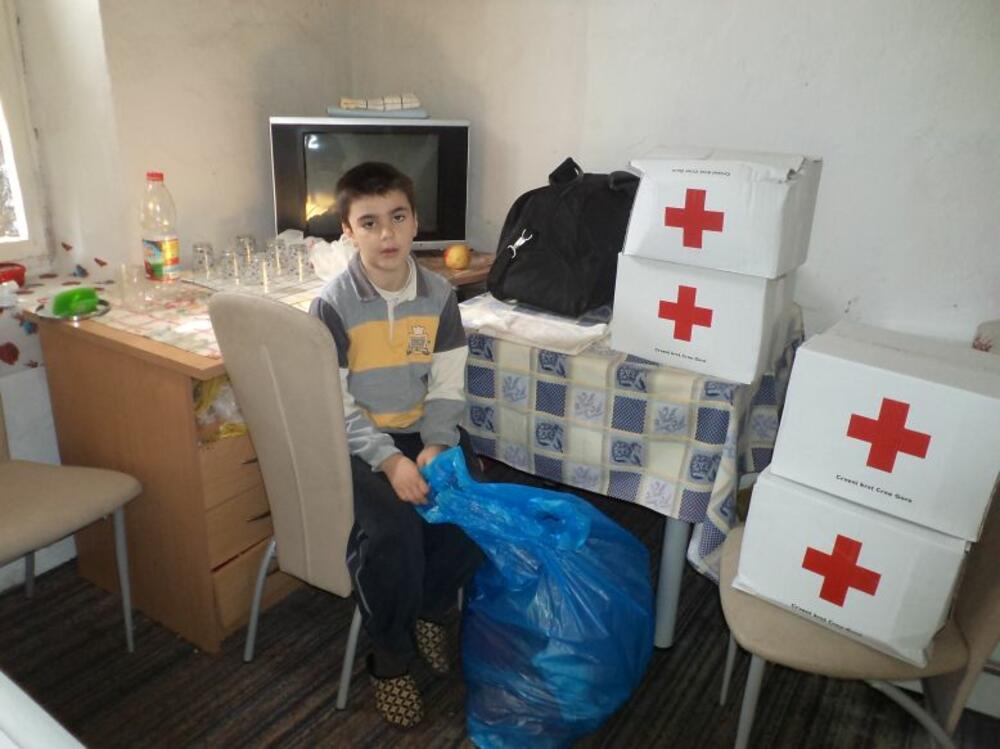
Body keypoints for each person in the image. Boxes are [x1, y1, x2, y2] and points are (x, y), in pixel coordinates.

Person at [309, 162, 484, 729]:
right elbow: (335, 404)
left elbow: (449, 383)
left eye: (398, 218)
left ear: (415, 222)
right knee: (396, 534)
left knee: (469, 509)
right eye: (369, 222)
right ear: (348, 231)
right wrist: (388, 460)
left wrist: (435, 443)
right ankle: (388, 657)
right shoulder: (333, 305)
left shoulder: (439, 295)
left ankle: (429, 609)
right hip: (360, 438)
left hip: (423, 428)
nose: (386, 234)